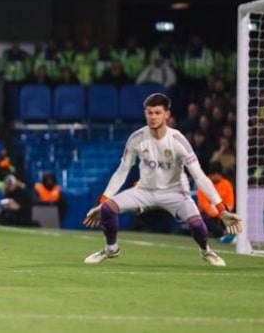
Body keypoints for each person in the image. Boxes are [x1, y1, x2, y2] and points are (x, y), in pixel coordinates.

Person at [83, 93, 242, 267]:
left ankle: (206, 251)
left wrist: (221, 208)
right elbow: (122, 171)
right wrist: (103, 200)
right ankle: (110, 249)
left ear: (167, 115)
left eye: (158, 113)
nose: (153, 117)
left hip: (175, 192)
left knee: (197, 225)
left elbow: (199, 176)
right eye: (149, 113)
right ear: (145, 114)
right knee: (107, 209)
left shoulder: (178, 141)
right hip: (144, 191)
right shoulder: (136, 138)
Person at [197, 161, 235, 240]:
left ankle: (225, 233)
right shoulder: (204, 183)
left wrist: (221, 211)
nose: (216, 177)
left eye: (218, 175)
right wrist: (214, 211)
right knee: (205, 219)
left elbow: (230, 204)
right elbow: (203, 203)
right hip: (208, 214)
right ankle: (221, 233)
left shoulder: (227, 184)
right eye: (214, 175)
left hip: (223, 213)